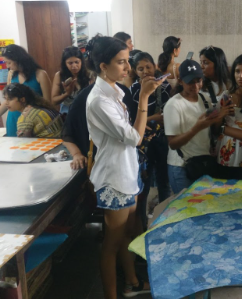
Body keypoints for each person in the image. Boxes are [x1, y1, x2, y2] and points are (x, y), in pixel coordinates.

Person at [84, 34, 164, 299]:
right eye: (121, 62)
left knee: (127, 233)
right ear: (103, 66)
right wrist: (143, 99)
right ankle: (112, 295)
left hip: (127, 172)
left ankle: (131, 281)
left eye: (127, 61)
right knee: (112, 242)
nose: (127, 67)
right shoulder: (99, 101)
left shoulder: (115, 91)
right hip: (114, 178)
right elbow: (134, 137)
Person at [163, 59, 233, 193]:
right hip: (182, 167)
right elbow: (173, 144)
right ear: (180, 81)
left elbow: (213, 130)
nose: (195, 86)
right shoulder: (173, 105)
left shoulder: (205, 99)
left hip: (203, 163)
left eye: (198, 81)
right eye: (190, 82)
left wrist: (220, 117)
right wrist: (197, 128)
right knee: (185, 210)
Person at [0, 44, 51, 136]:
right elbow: (7, 101)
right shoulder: (11, 74)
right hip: (13, 118)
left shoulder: (40, 74)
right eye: (6, 63)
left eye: (9, 62)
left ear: (19, 59)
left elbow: (48, 103)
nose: (7, 66)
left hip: (35, 120)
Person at [130, 52, 172, 202]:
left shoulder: (165, 87)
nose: (145, 71)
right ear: (135, 71)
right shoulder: (133, 90)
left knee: (163, 180)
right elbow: (131, 120)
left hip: (162, 140)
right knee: (144, 181)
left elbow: (169, 114)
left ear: (155, 67)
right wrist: (151, 118)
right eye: (140, 69)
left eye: (148, 67)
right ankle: (142, 218)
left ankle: (164, 211)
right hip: (142, 144)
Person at [51, 46, 94, 115]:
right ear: (65, 64)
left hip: (86, 111)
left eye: (77, 62)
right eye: (70, 63)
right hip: (67, 112)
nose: (74, 66)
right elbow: (54, 101)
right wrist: (67, 93)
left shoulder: (89, 75)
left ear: (81, 62)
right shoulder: (59, 75)